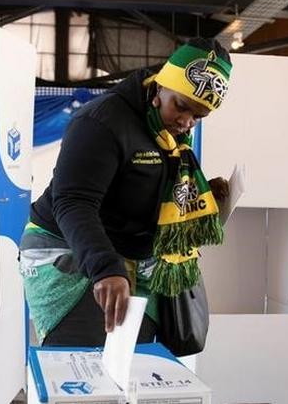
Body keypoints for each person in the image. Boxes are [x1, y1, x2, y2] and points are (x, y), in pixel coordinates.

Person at [20, 38, 233, 347]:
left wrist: (203, 200)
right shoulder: (102, 121)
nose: (187, 123)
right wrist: (105, 268)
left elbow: (150, 189)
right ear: (162, 86)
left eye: (199, 116)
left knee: (136, 366)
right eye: (182, 107)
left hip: (134, 259)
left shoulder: (170, 133)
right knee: (85, 370)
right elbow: (73, 202)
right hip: (75, 252)